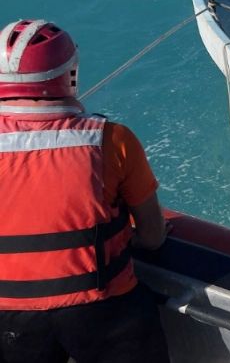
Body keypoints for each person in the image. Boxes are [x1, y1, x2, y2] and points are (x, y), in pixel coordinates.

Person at [0, 19, 170, 363]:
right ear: (69, 74)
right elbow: (152, 237)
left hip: (11, 320)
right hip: (104, 311)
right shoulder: (112, 139)